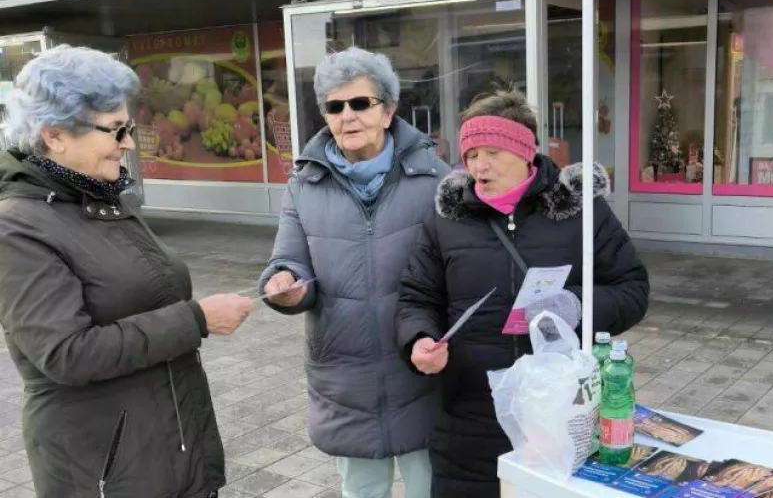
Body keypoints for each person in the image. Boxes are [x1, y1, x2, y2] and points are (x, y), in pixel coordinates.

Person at [0, 44, 254, 497]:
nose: (129, 143)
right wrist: (196, 319)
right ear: (55, 134)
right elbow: (66, 354)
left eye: (129, 127)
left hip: (171, 451)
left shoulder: (105, 199)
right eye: (115, 130)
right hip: (104, 471)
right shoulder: (16, 227)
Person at [395, 91, 651, 498]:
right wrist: (419, 338)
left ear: (526, 151)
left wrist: (575, 305)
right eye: (471, 153)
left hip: (559, 412)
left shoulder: (581, 211)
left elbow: (633, 289)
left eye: (493, 151)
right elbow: (416, 297)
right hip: (468, 414)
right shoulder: (446, 219)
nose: (479, 165)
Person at [258, 46, 448, 498]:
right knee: (362, 491)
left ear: (388, 110)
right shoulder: (304, 184)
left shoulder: (435, 178)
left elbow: (458, 264)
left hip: (419, 363)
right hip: (345, 373)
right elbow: (287, 259)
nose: (348, 116)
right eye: (335, 106)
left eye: (361, 103)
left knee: (432, 486)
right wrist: (284, 284)